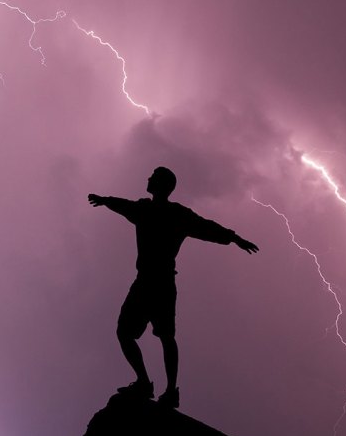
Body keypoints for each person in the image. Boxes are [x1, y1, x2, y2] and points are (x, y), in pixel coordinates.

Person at [87, 166, 258, 409]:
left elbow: (206, 226)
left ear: (160, 185)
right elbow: (205, 226)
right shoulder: (163, 212)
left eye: (152, 177)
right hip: (157, 282)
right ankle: (159, 387)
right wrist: (105, 200)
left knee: (145, 334)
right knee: (150, 335)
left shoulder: (154, 211)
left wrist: (233, 237)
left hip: (153, 281)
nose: (147, 178)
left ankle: (157, 387)